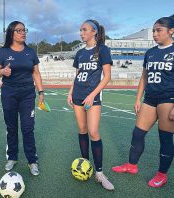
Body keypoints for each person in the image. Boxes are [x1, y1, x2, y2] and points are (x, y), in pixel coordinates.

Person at [112, 16, 174, 188]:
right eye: (153, 30)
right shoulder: (150, 52)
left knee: (165, 139)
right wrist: (138, 98)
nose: (154, 34)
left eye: (158, 30)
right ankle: (131, 165)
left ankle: (162, 174)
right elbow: (144, 76)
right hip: (150, 98)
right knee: (137, 133)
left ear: (171, 31)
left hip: (169, 99)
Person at [67, 19, 114, 190]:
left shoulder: (103, 50)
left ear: (94, 32)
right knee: (82, 130)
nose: (81, 33)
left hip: (92, 98)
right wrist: (71, 92)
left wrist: (92, 95)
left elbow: (107, 77)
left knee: (93, 132)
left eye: (84, 30)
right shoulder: (80, 53)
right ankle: (85, 164)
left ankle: (100, 174)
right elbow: (77, 75)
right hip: (78, 95)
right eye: (80, 30)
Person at [0, 21, 44, 176]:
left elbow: (36, 73)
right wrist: (2, 71)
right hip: (9, 94)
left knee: (28, 128)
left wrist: (41, 92)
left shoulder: (30, 52)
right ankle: (12, 157)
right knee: (11, 128)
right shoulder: (3, 52)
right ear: (11, 33)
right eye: (19, 30)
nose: (23, 32)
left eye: (24, 30)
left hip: (28, 94)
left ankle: (32, 161)